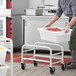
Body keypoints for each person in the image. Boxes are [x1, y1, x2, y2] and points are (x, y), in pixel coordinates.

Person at [45, 0, 76, 69]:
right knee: (70, 39)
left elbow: (75, 15)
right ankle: (75, 60)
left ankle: (75, 63)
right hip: (71, 19)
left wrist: (68, 26)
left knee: (73, 40)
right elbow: (58, 13)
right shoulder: (60, 1)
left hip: (75, 19)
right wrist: (50, 23)